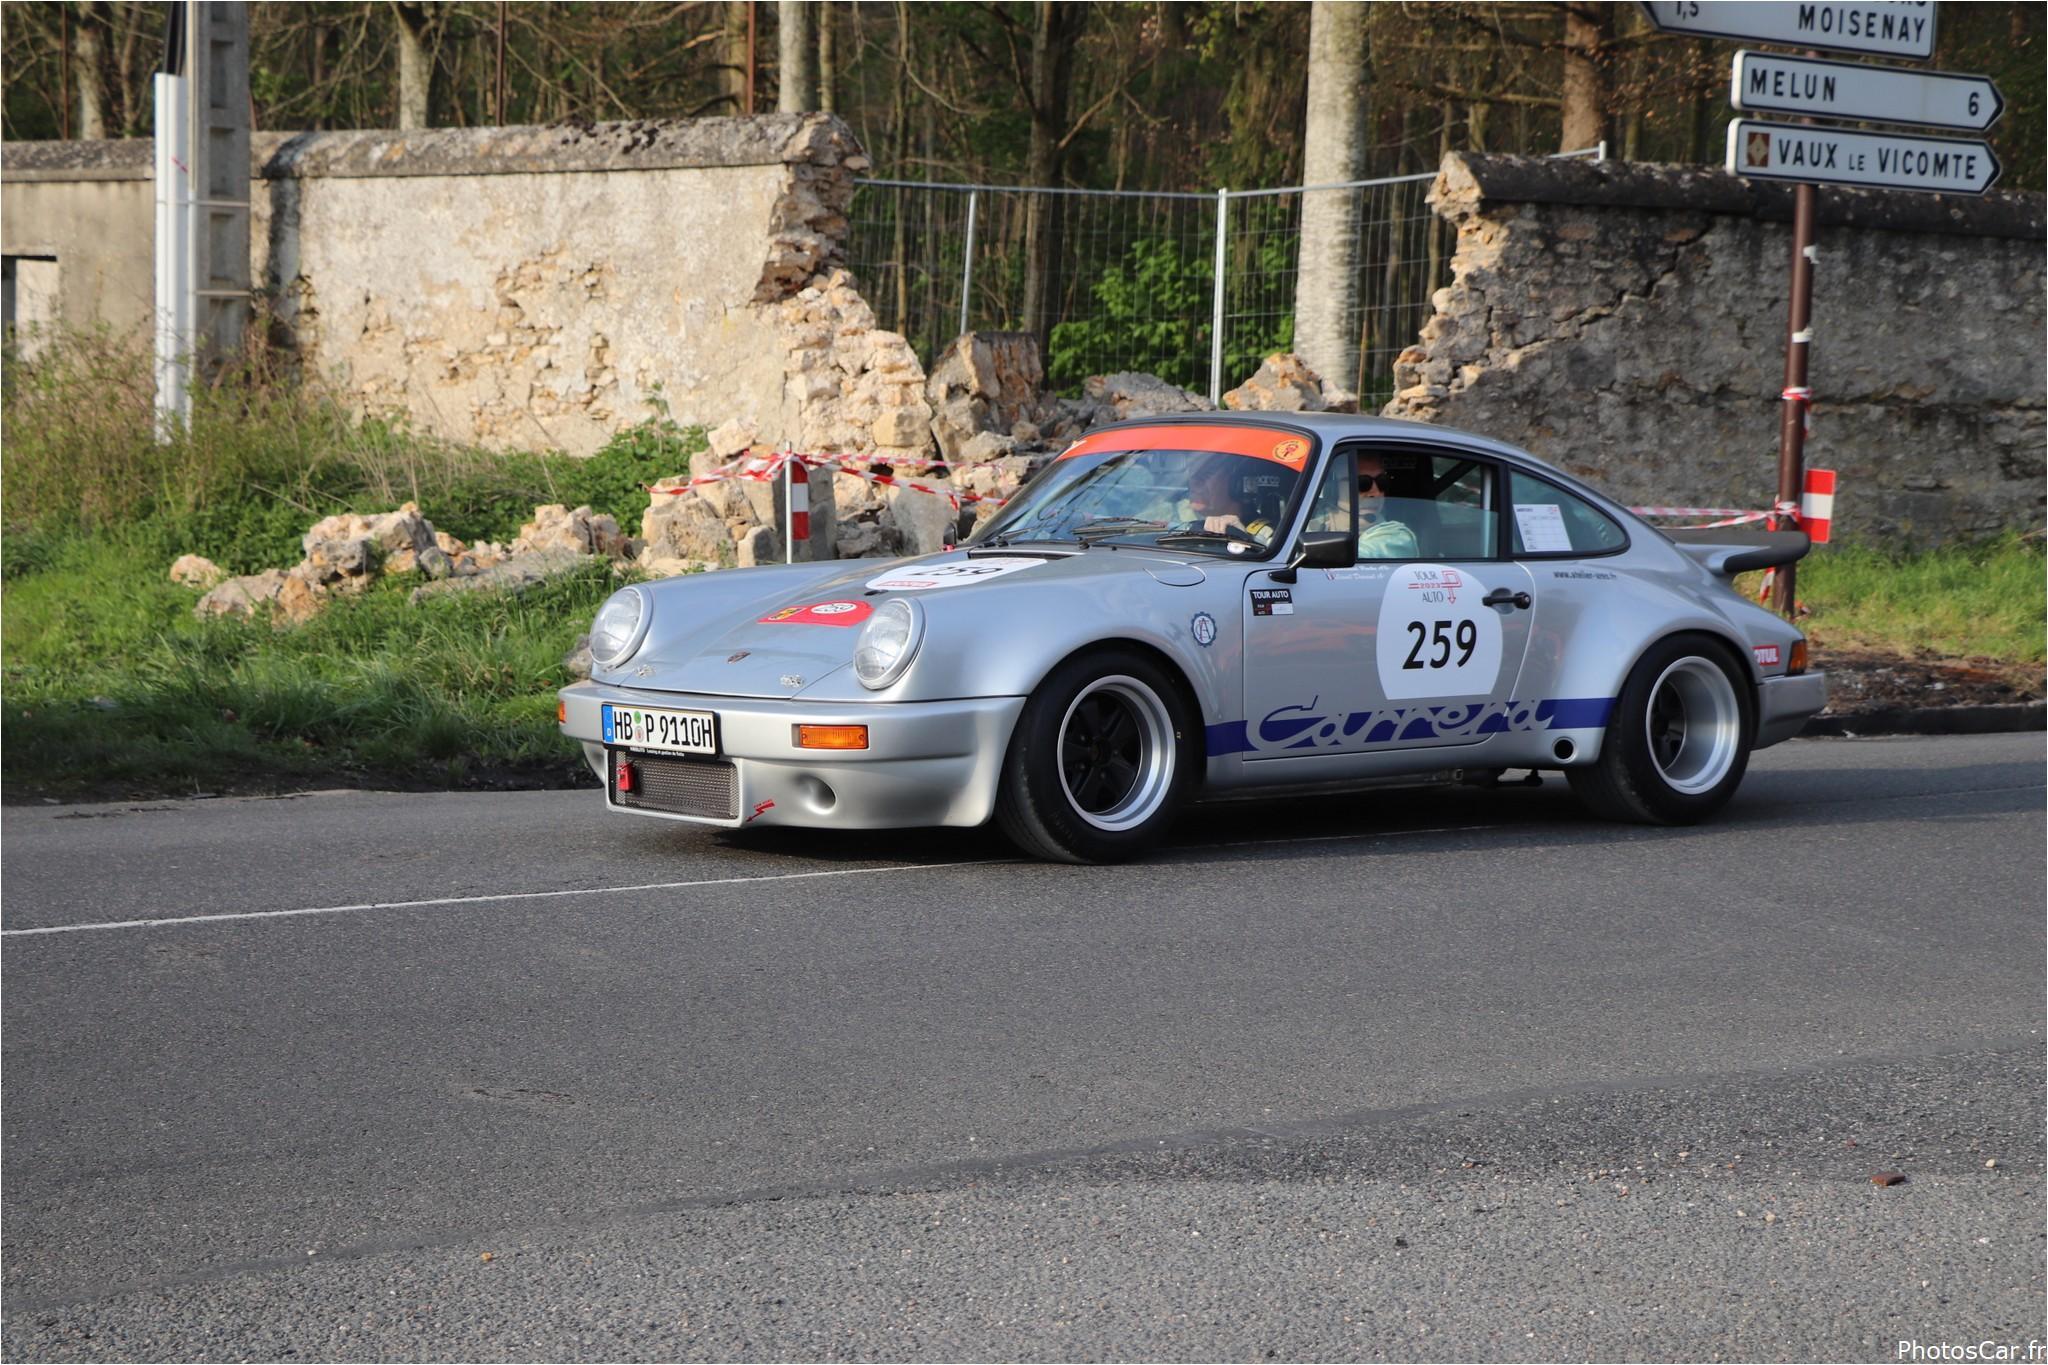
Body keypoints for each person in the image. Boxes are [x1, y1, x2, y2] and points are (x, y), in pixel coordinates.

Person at [1183, 455, 1275, 544]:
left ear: (1237, 484)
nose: (1194, 482)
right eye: (1192, 473)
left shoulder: (1266, 538)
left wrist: (1244, 539)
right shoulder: (1179, 522)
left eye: (1206, 474)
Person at [1356, 454, 1419, 559]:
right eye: (1362, 483)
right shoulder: (1325, 522)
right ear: (1334, 489)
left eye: (1382, 482)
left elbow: (1356, 555)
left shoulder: (1397, 537)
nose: (1376, 493)